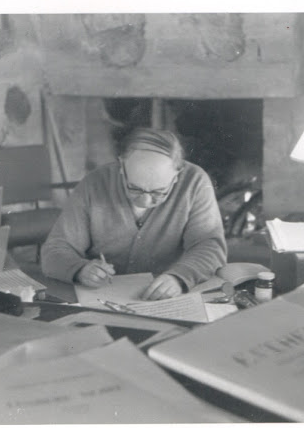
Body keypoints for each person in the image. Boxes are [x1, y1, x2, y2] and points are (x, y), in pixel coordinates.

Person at [41, 127, 227, 300]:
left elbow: (210, 246)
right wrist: (80, 269)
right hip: (104, 296)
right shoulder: (94, 184)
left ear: (177, 174)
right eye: (134, 188)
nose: (145, 201)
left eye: (158, 192)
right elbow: (55, 250)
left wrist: (180, 277)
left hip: (166, 297)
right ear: (121, 166)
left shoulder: (195, 182)